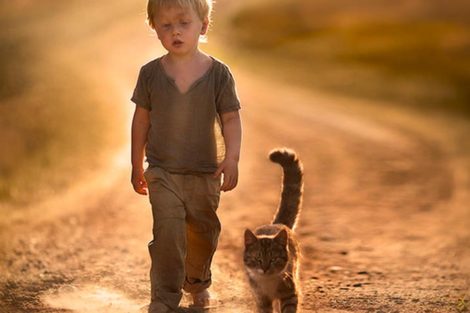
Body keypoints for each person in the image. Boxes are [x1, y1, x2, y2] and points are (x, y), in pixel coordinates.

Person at [130, 0, 242, 312]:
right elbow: (141, 121)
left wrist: (231, 158)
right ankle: (163, 297)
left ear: (203, 26)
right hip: (163, 171)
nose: (175, 31)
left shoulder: (219, 74)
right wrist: (136, 164)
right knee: (168, 232)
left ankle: (197, 281)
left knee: (203, 234)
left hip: (205, 173)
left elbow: (231, 118)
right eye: (166, 25)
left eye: (183, 23)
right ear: (155, 29)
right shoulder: (150, 74)